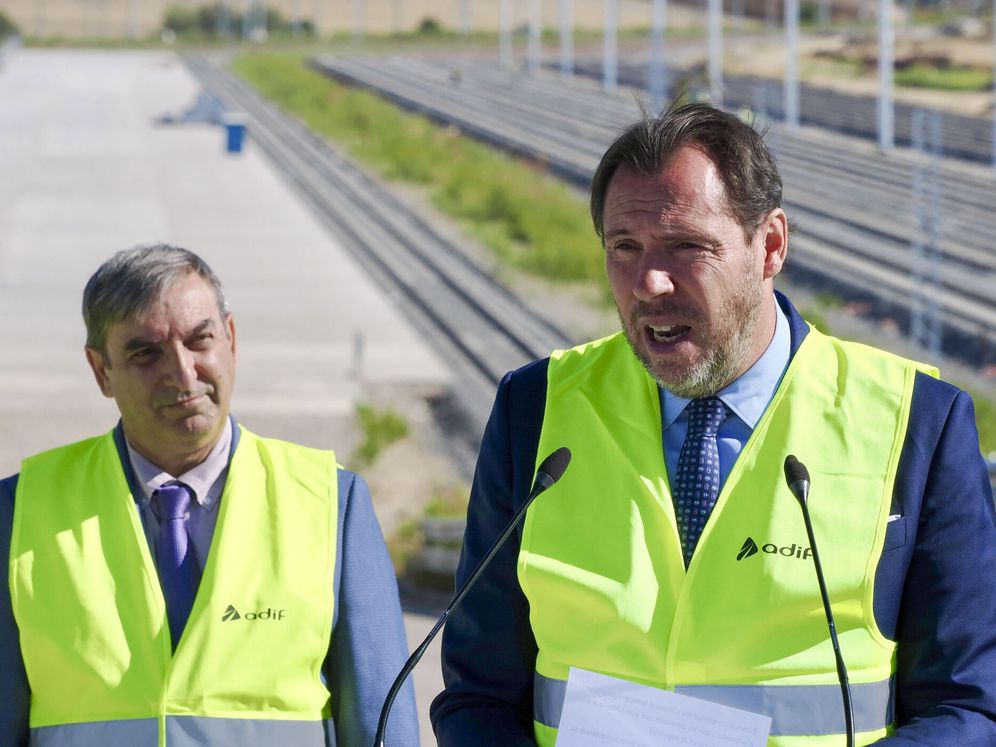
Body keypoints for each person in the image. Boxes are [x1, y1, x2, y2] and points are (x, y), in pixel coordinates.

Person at [430, 103, 996, 745]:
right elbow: (478, 695)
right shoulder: (535, 408)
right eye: (624, 247)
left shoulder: (914, 420)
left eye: (687, 246)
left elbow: (967, 706)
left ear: (771, 246)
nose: (649, 282)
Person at [0, 244, 418, 746]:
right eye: (145, 353)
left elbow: (382, 728)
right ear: (101, 371)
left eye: (200, 340)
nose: (182, 372)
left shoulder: (332, 502)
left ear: (231, 338)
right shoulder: (20, 512)